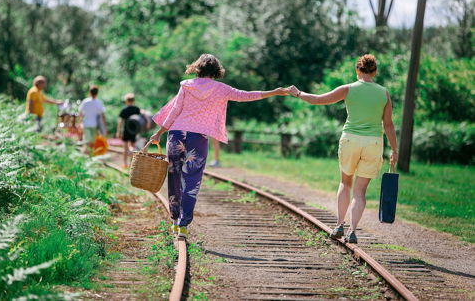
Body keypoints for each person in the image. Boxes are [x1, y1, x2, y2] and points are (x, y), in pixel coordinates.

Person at [149, 53, 289, 239]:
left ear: (197, 68)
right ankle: (183, 224)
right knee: (192, 180)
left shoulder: (186, 85)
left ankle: (174, 219)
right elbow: (245, 96)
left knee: (174, 175)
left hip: (177, 134)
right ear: (216, 70)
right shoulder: (222, 89)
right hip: (197, 138)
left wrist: (159, 133)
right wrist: (275, 91)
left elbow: (175, 110)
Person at [287, 54, 398, 244]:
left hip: (350, 140)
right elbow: (388, 125)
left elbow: (317, 99)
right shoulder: (383, 93)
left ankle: (339, 225)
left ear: (357, 70)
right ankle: (352, 231)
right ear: (375, 71)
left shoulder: (348, 89)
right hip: (373, 143)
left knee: (345, 183)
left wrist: (297, 93)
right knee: (360, 192)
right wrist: (394, 150)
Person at [116, 93, 142, 168]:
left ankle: (124, 163)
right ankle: (132, 163)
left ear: (126, 101)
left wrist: (118, 131)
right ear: (133, 101)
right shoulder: (136, 109)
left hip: (126, 130)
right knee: (133, 147)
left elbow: (120, 122)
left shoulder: (124, 110)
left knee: (125, 148)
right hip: (134, 130)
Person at [79, 85, 106, 154]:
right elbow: (102, 115)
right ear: (97, 93)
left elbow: (80, 113)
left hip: (86, 124)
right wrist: (104, 127)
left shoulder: (85, 101)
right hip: (94, 125)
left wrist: (79, 123)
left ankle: (86, 156)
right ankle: (89, 156)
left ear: (90, 92)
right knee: (92, 142)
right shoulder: (99, 102)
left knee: (87, 141)